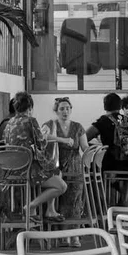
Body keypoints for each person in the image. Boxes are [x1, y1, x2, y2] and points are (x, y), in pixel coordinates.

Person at [2, 91, 66, 223]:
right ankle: (31, 206)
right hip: (28, 170)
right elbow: (41, 145)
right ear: (30, 107)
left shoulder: (9, 123)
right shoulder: (31, 121)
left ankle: (44, 210)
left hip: (11, 171)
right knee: (61, 186)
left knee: (55, 172)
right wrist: (44, 135)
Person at [86, 93, 128, 206]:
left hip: (110, 164)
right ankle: (124, 199)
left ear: (105, 106)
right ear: (120, 106)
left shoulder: (103, 121)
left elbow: (84, 137)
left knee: (88, 170)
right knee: (127, 170)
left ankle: (100, 204)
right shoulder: (127, 120)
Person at [51, 97, 88, 247]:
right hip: (57, 166)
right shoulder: (52, 125)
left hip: (75, 166)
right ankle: (63, 235)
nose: (65, 111)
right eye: (62, 108)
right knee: (61, 200)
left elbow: (85, 147)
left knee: (75, 199)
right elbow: (43, 139)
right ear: (56, 111)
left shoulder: (78, 127)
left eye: (67, 108)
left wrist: (95, 150)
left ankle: (75, 236)